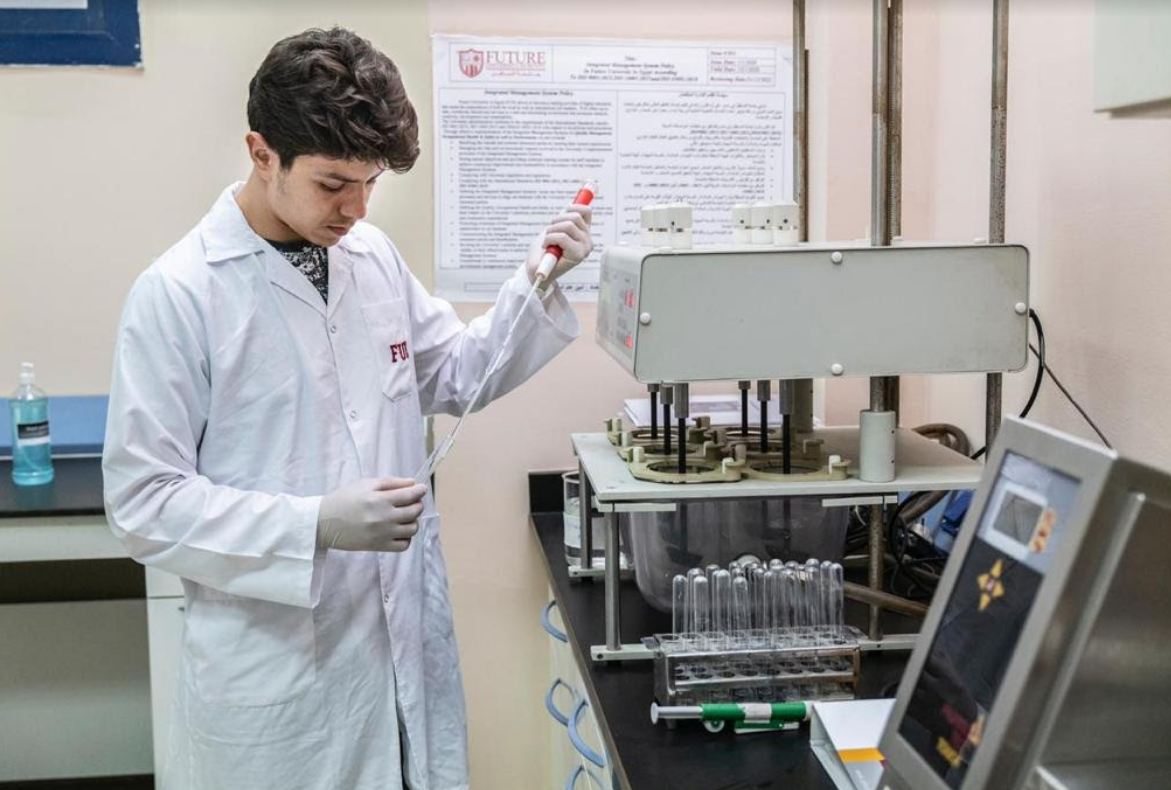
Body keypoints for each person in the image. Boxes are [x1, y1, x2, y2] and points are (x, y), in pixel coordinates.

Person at [102, 27, 592, 790]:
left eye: (370, 183)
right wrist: (315, 524)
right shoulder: (180, 293)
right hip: (279, 672)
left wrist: (532, 285)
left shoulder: (370, 258)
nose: (356, 208)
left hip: (397, 647)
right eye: (333, 184)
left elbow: (456, 374)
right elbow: (143, 502)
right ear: (262, 153)